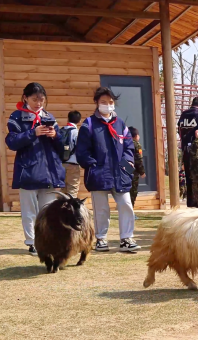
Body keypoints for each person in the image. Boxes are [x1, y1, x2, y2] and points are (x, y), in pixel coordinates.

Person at [76, 87, 140, 253]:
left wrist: (128, 163)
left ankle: (126, 238)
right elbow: (82, 150)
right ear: (97, 103)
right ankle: (101, 238)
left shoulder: (120, 124)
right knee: (101, 208)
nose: (107, 105)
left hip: (120, 174)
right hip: (99, 173)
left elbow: (128, 146)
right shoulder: (89, 124)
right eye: (104, 102)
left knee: (126, 204)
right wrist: (92, 165)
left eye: (110, 102)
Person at [5, 82, 65, 256]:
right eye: (34, 99)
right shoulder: (16, 117)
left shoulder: (49, 117)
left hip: (49, 172)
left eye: (41, 99)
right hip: (28, 171)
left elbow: (61, 147)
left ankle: (47, 241)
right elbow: (12, 142)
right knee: (29, 211)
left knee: (48, 211)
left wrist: (55, 136)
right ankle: (32, 242)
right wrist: (33, 132)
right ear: (25, 98)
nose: (39, 103)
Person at [179, 97, 198, 208]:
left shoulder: (183, 116)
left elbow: (180, 131)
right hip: (197, 151)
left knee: (189, 180)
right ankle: (197, 205)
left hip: (186, 150)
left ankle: (190, 205)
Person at [62, 110, 81, 197]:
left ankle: (61, 209)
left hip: (61, 163)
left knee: (62, 190)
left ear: (68, 119)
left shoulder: (61, 130)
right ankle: (71, 209)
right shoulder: (76, 132)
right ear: (79, 121)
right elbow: (79, 148)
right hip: (73, 164)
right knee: (72, 189)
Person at [128, 126, 146, 210]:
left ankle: (126, 209)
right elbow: (138, 159)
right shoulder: (136, 144)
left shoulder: (124, 143)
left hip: (124, 170)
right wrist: (142, 171)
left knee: (126, 191)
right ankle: (130, 210)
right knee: (133, 191)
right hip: (133, 171)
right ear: (136, 136)